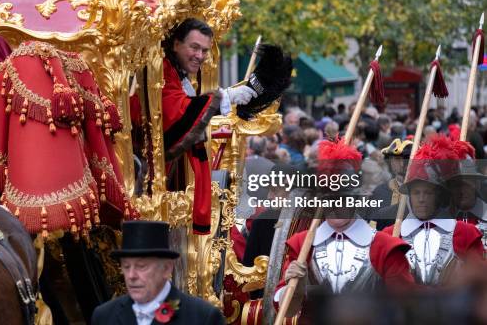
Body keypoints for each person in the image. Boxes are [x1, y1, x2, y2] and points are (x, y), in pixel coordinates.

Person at [274, 139, 415, 323]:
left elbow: (406, 307)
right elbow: (288, 311)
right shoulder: (301, 244)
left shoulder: (385, 246)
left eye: (343, 198)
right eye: (330, 198)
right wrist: (297, 289)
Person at [162, 18, 257, 234]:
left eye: (204, 50)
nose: (200, 56)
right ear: (176, 44)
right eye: (194, 47)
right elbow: (176, 112)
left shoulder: (177, 73)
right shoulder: (164, 70)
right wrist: (226, 96)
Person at [382, 135, 484, 285]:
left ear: (438, 196)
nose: (422, 199)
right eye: (416, 193)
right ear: (409, 196)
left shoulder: (466, 233)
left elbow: (480, 282)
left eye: (428, 192)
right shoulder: (389, 235)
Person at [91, 221, 225, 325]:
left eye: (141, 266)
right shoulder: (104, 316)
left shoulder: (202, 318)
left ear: (166, 268)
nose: (131, 275)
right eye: (126, 266)